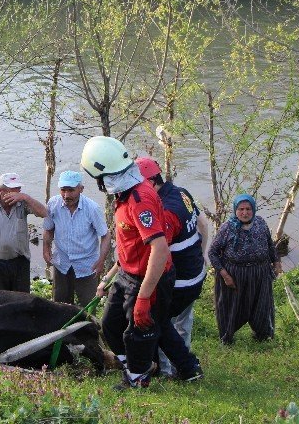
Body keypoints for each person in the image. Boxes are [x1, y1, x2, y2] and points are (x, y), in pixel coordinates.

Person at [81, 136, 203, 389]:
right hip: (127, 273)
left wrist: (145, 297)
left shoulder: (140, 201)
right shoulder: (125, 194)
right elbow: (130, 244)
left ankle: (138, 377)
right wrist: (110, 276)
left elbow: (159, 249)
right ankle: (148, 366)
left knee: (140, 328)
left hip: (147, 277)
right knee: (111, 324)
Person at [133, 157, 208, 377]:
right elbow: (202, 223)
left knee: (162, 323)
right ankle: (178, 364)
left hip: (179, 280)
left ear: (151, 182)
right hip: (195, 273)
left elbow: (158, 250)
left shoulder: (164, 211)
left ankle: (167, 369)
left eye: (139, 185)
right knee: (184, 321)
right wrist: (202, 254)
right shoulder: (182, 193)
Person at [208, 194, 282, 344]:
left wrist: (277, 262)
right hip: (234, 274)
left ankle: (263, 336)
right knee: (230, 306)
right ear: (235, 210)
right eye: (241, 209)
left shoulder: (260, 223)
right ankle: (227, 338)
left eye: (248, 209)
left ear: (253, 209)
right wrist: (224, 275)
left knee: (262, 304)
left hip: (260, 273)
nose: (245, 212)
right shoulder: (227, 227)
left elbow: (269, 245)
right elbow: (212, 252)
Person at [43, 170, 112, 307]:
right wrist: (46, 248)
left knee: (87, 306)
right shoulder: (53, 204)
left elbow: (105, 235)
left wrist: (101, 261)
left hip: (86, 266)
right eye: (63, 190)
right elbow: (48, 228)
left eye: (71, 190)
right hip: (62, 264)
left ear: (81, 189)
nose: (66, 195)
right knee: (60, 306)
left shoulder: (92, 208)